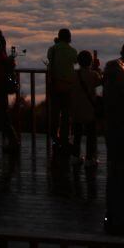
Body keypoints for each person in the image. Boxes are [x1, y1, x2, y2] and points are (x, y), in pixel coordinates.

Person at [103, 42, 124, 233]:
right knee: (123, 173)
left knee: (114, 172)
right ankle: (123, 215)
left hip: (112, 130)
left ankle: (113, 215)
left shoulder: (110, 79)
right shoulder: (123, 86)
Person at [47, 28, 79, 156]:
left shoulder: (52, 49)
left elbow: (50, 57)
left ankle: (55, 138)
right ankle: (65, 139)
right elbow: (76, 61)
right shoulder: (72, 51)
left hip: (54, 85)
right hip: (68, 86)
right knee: (66, 114)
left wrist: (56, 45)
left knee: (55, 113)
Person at [69, 49, 103, 169]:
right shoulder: (93, 74)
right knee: (91, 135)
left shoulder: (73, 74)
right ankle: (90, 158)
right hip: (89, 110)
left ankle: (75, 156)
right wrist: (97, 68)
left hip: (76, 110)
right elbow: (100, 81)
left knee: (77, 135)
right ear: (90, 62)